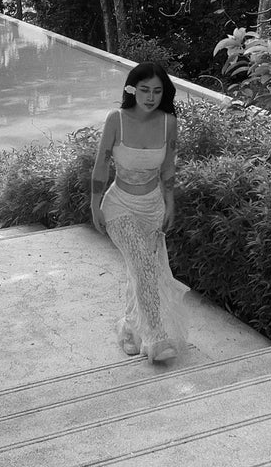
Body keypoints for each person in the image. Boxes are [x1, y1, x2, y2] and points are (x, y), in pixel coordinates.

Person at [91, 62, 188, 363]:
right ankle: (156, 338)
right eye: (145, 89)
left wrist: (170, 202)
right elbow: (101, 163)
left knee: (141, 270)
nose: (151, 97)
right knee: (144, 266)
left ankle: (130, 329)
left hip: (152, 207)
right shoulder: (116, 120)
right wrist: (94, 204)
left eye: (157, 91)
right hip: (119, 206)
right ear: (132, 89)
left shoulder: (168, 122)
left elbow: (168, 166)